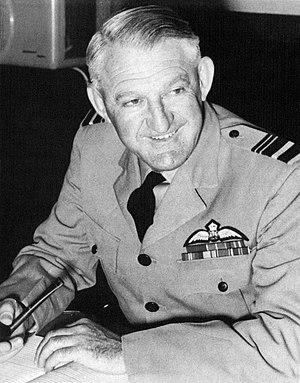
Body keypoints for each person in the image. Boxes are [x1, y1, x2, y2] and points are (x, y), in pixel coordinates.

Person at [0, 5, 300, 382]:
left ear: (203, 80)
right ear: (101, 104)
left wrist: (126, 354)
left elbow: (293, 346)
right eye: (132, 101)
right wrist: (17, 303)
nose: (161, 123)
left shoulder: (280, 180)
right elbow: (61, 258)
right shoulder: (95, 148)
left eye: (175, 91)